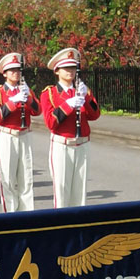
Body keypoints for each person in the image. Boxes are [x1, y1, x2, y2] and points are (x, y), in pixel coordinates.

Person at [40, 48, 101, 208]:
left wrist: (86, 97)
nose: (70, 71)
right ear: (57, 71)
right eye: (66, 68)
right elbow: (51, 123)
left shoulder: (82, 90)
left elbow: (95, 115)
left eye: (73, 68)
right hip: (63, 145)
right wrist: (67, 105)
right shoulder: (50, 94)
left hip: (82, 144)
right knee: (62, 191)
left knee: (80, 191)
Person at [0, 53, 41, 212]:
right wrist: (13, 102)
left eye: (18, 70)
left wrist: (28, 98)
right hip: (7, 135)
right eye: (11, 70)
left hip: (24, 135)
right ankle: (10, 215)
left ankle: (27, 215)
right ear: (4, 73)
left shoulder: (25, 90)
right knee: (8, 179)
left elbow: (38, 111)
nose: (16, 73)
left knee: (26, 178)